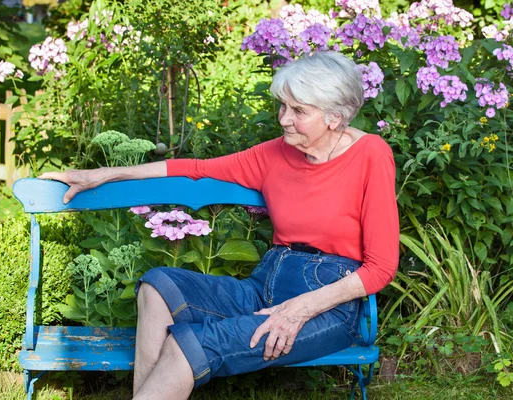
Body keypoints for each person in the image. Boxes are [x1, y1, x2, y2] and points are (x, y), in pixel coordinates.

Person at [40, 51, 399, 400]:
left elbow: (381, 267)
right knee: (158, 286)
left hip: (328, 305)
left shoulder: (370, 155)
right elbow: (195, 168)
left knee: (190, 345)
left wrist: (299, 309)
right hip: (266, 284)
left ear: (334, 118)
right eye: (283, 106)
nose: (284, 119)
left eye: (299, 111)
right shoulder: (275, 152)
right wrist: (104, 174)